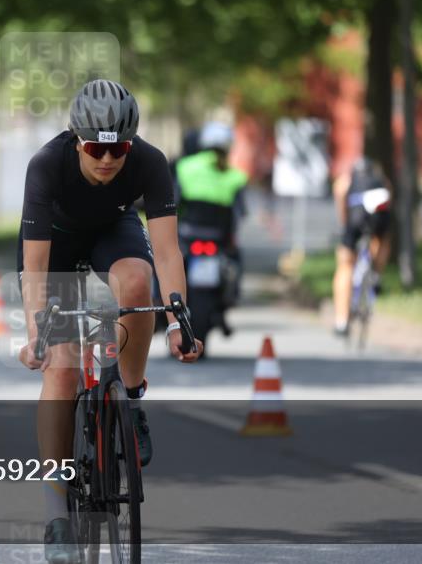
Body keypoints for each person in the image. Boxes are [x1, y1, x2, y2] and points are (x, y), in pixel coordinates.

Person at [17, 79, 203, 563]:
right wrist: (36, 330)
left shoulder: (150, 162)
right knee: (61, 367)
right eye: (96, 147)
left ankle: (132, 398)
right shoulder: (47, 164)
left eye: (118, 147)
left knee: (139, 287)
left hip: (113, 231)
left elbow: (166, 250)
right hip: (57, 242)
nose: (107, 159)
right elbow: (35, 265)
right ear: (77, 140)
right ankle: (56, 512)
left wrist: (180, 316)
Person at [174, 120, 249, 329]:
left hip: (187, 237)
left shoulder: (185, 167)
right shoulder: (236, 176)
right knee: (236, 264)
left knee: (160, 265)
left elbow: (173, 203)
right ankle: (229, 301)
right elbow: (240, 212)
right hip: (219, 240)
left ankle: (157, 301)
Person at [332, 156, 393, 337]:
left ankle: (341, 321)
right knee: (383, 241)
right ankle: (376, 275)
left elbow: (340, 193)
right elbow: (390, 196)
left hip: (355, 219)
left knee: (345, 265)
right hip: (378, 219)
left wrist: (344, 221)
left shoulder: (348, 179)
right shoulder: (381, 179)